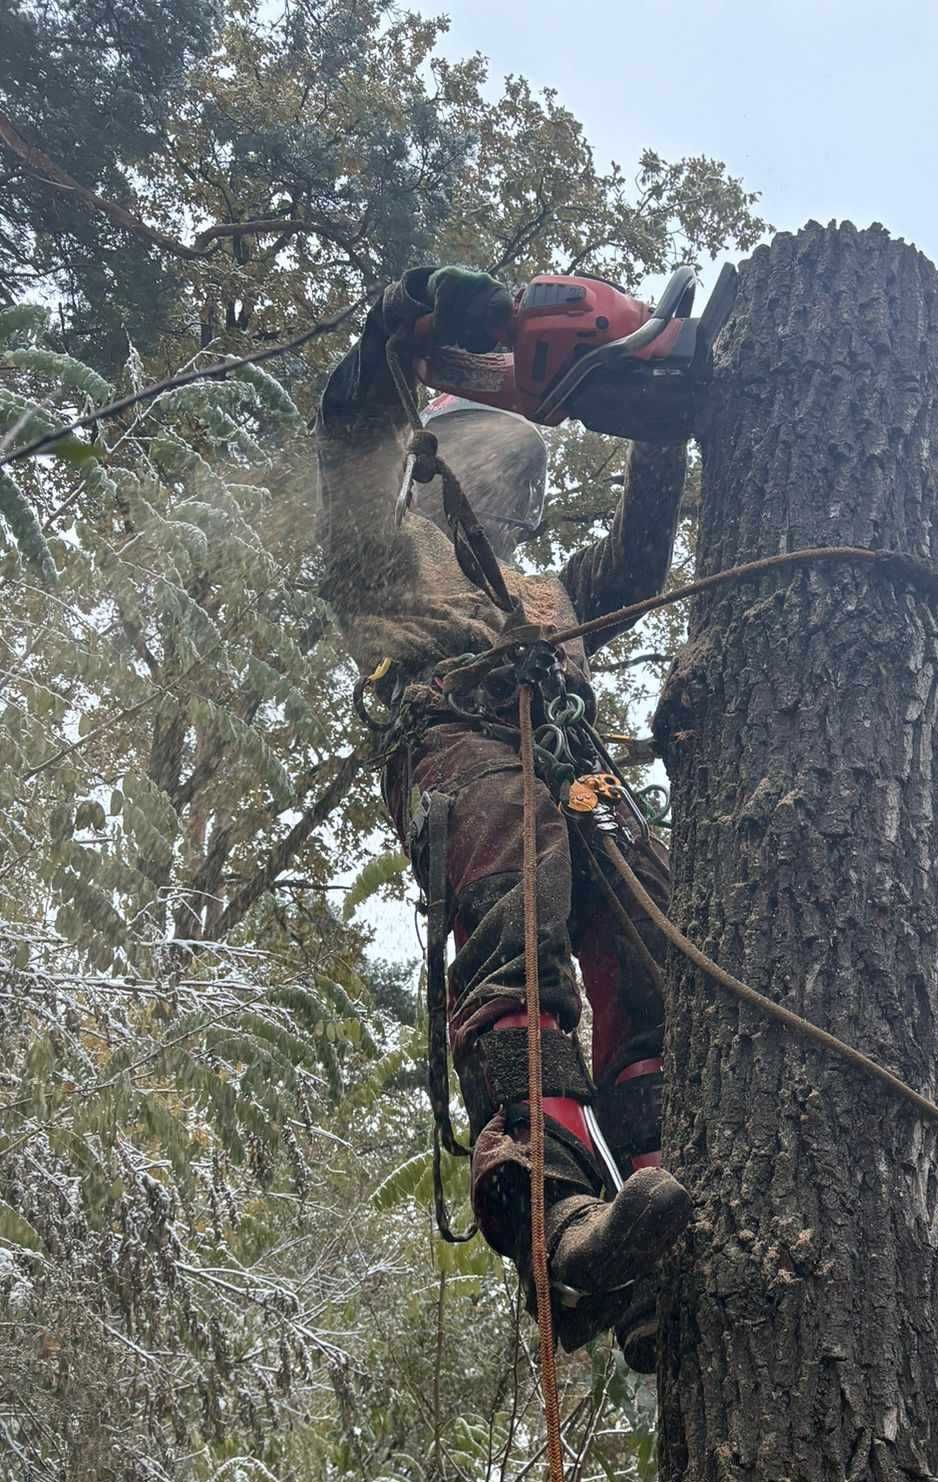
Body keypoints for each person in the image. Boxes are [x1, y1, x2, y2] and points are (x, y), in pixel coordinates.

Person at [315, 264, 692, 1371]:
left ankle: (661, 1196)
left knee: (644, 917)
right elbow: (349, 437)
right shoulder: (387, 554)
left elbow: (635, 562)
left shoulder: (549, 592)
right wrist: (405, 330)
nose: (510, 491)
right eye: (498, 461)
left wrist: (658, 427)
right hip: (460, 740)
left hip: (567, 760)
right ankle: (555, 1209)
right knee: (518, 909)